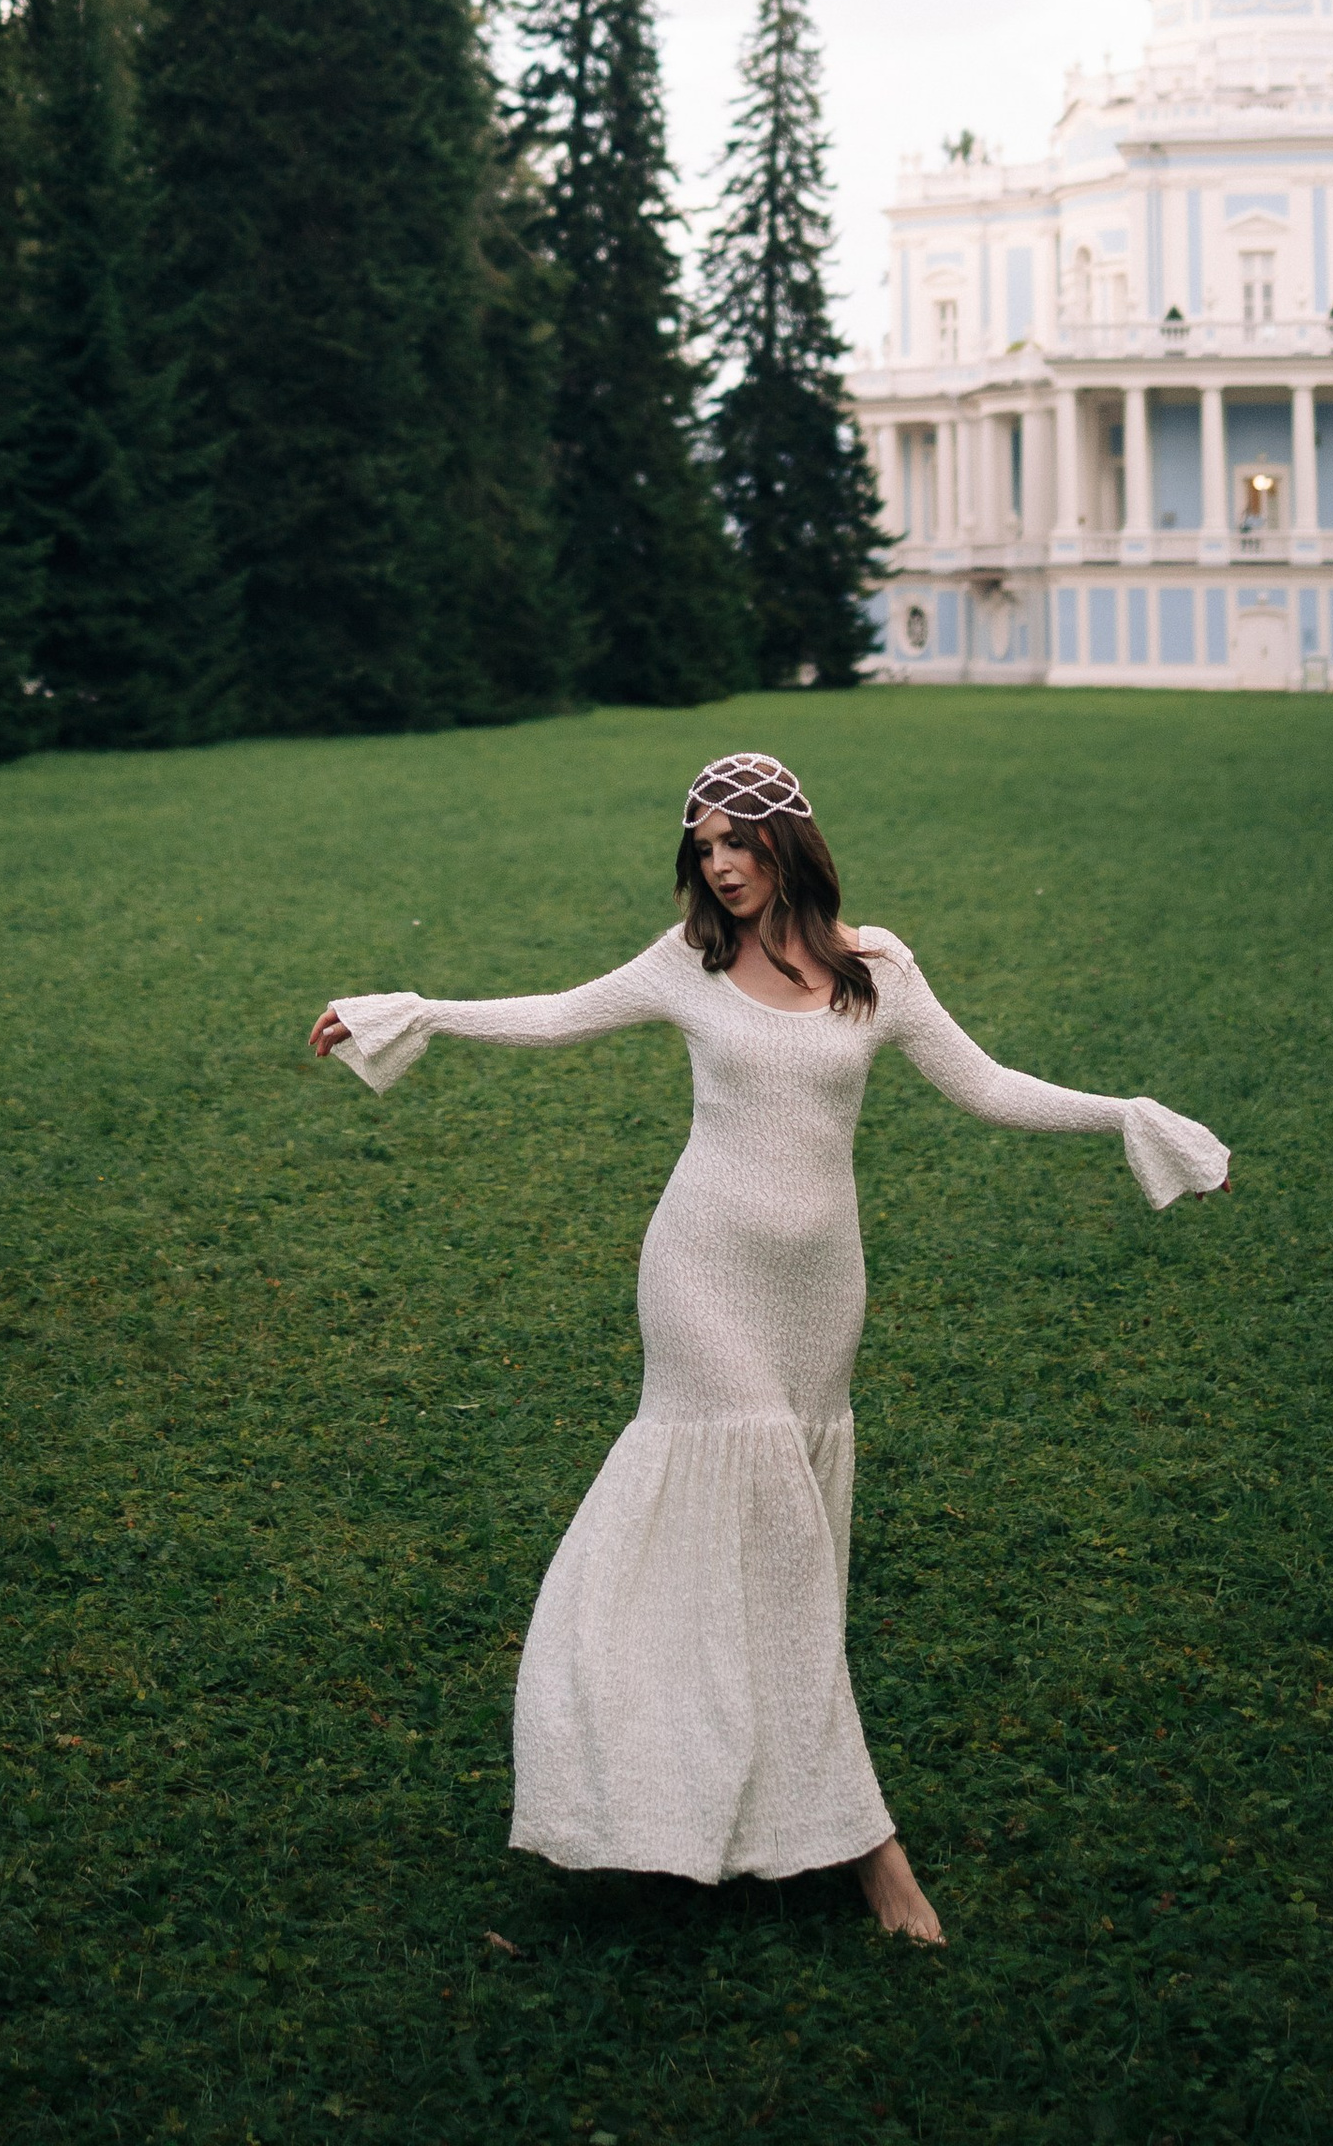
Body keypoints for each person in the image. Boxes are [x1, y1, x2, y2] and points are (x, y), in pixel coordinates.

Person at [307, 751, 1231, 1945]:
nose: (720, 865)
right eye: (702, 846)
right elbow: (554, 1014)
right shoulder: (686, 963)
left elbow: (987, 1084)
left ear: (790, 841)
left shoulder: (874, 969)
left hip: (818, 1290)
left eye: (737, 841)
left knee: (784, 1541)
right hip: (699, 1271)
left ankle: (712, 1797)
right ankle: (871, 1854)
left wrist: (1125, 1117)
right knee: (773, 1540)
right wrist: (417, 1011)